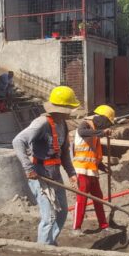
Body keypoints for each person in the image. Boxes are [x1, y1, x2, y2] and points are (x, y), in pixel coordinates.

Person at [13, 86, 79, 246]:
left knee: (62, 213)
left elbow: (63, 153)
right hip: (39, 174)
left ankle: (49, 243)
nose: (71, 111)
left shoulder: (62, 124)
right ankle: (43, 252)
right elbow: (18, 141)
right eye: (69, 108)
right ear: (62, 108)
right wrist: (28, 169)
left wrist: (71, 173)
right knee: (48, 217)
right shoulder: (41, 123)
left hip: (55, 174)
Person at [71, 105, 115, 233]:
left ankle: (104, 225)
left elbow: (93, 154)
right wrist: (102, 133)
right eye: (107, 122)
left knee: (98, 199)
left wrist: (103, 167)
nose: (107, 125)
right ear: (101, 118)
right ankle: (76, 228)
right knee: (82, 200)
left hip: (92, 171)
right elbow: (81, 132)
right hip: (82, 170)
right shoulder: (85, 124)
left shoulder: (96, 131)